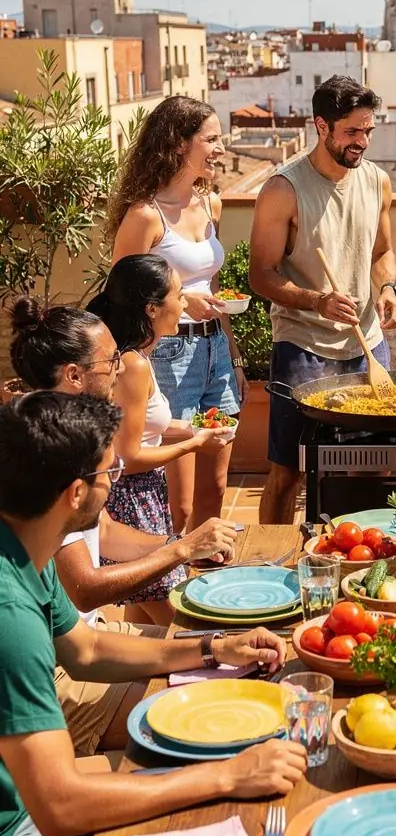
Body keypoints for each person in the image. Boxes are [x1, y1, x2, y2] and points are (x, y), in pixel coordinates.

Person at [0, 391, 306, 836]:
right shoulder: (7, 618)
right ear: (76, 491)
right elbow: (59, 808)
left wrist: (207, 651)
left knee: (171, 815)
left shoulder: (22, 547)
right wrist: (228, 774)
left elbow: (85, 650)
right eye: (110, 477)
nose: (112, 492)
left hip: (21, 807)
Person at [9, 296, 240, 754]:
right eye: (110, 358)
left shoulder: (74, 436)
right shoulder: (48, 455)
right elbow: (85, 589)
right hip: (54, 668)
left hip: (82, 639)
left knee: (220, 663)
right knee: (204, 717)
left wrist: (182, 545)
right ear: (74, 375)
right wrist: (178, 552)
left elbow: (106, 534)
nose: (121, 366)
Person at [249, 74, 396, 522]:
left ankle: (357, 558)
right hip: (303, 344)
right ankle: (269, 563)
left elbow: (383, 252)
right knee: (289, 473)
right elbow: (260, 275)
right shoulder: (283, 189)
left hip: (366, 344)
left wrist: (389, 288)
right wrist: (316, 301)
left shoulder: (377, 181)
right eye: (352, 132)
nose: (362, 142)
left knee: (370, 465)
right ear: (321, 126)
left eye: (368, 131)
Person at [108, 95, 246, 530]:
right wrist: (185, 302)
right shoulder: (145, 216)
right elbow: (122, 296)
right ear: (177, 145)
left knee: (216, 488)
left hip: (215, 352)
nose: (221, 148)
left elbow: (214, 285)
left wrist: (234, 353)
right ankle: (167, 582)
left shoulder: (211, 204)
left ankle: (202, 584)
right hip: (168, 357)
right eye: (211, 139)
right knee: (179, 505)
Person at [87, 256, 235, 625]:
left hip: (146, 497)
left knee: (143, 620)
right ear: (152, 308)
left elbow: (149, 425)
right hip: (130, 504)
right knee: (181, 625)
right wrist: (195, 445)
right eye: (179, 295)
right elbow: (128, 457)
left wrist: (195, 430)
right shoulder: (132, 364)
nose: (185, 303)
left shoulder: (140, 354)